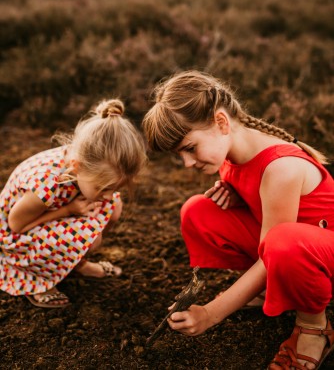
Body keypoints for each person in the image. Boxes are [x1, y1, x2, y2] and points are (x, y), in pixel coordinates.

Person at [142, 70, 334, 370]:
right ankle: (266, 291)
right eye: (180, 155)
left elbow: (274, 250)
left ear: (221, 122)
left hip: (321, 257)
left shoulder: (281, 168)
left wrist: (211, 313)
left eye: (190, 148)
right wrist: (237, 196)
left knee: (282, 243)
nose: (188, 163)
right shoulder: (231, 153)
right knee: (198, 211)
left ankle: (314, 325)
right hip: (290, 250)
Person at [0, 99, 146, 308]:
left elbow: (106, 199)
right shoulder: (45, 186)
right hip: (13, 236)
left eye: (115, 188)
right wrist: (68, 210)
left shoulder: (87, 161)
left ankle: (77, 263)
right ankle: (37, 280)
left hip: (50, 212)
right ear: (76, 167)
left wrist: (89, 202)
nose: (108, 195)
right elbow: (16, 226)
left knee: (114, 207)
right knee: (91, 238)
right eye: (103, 188)